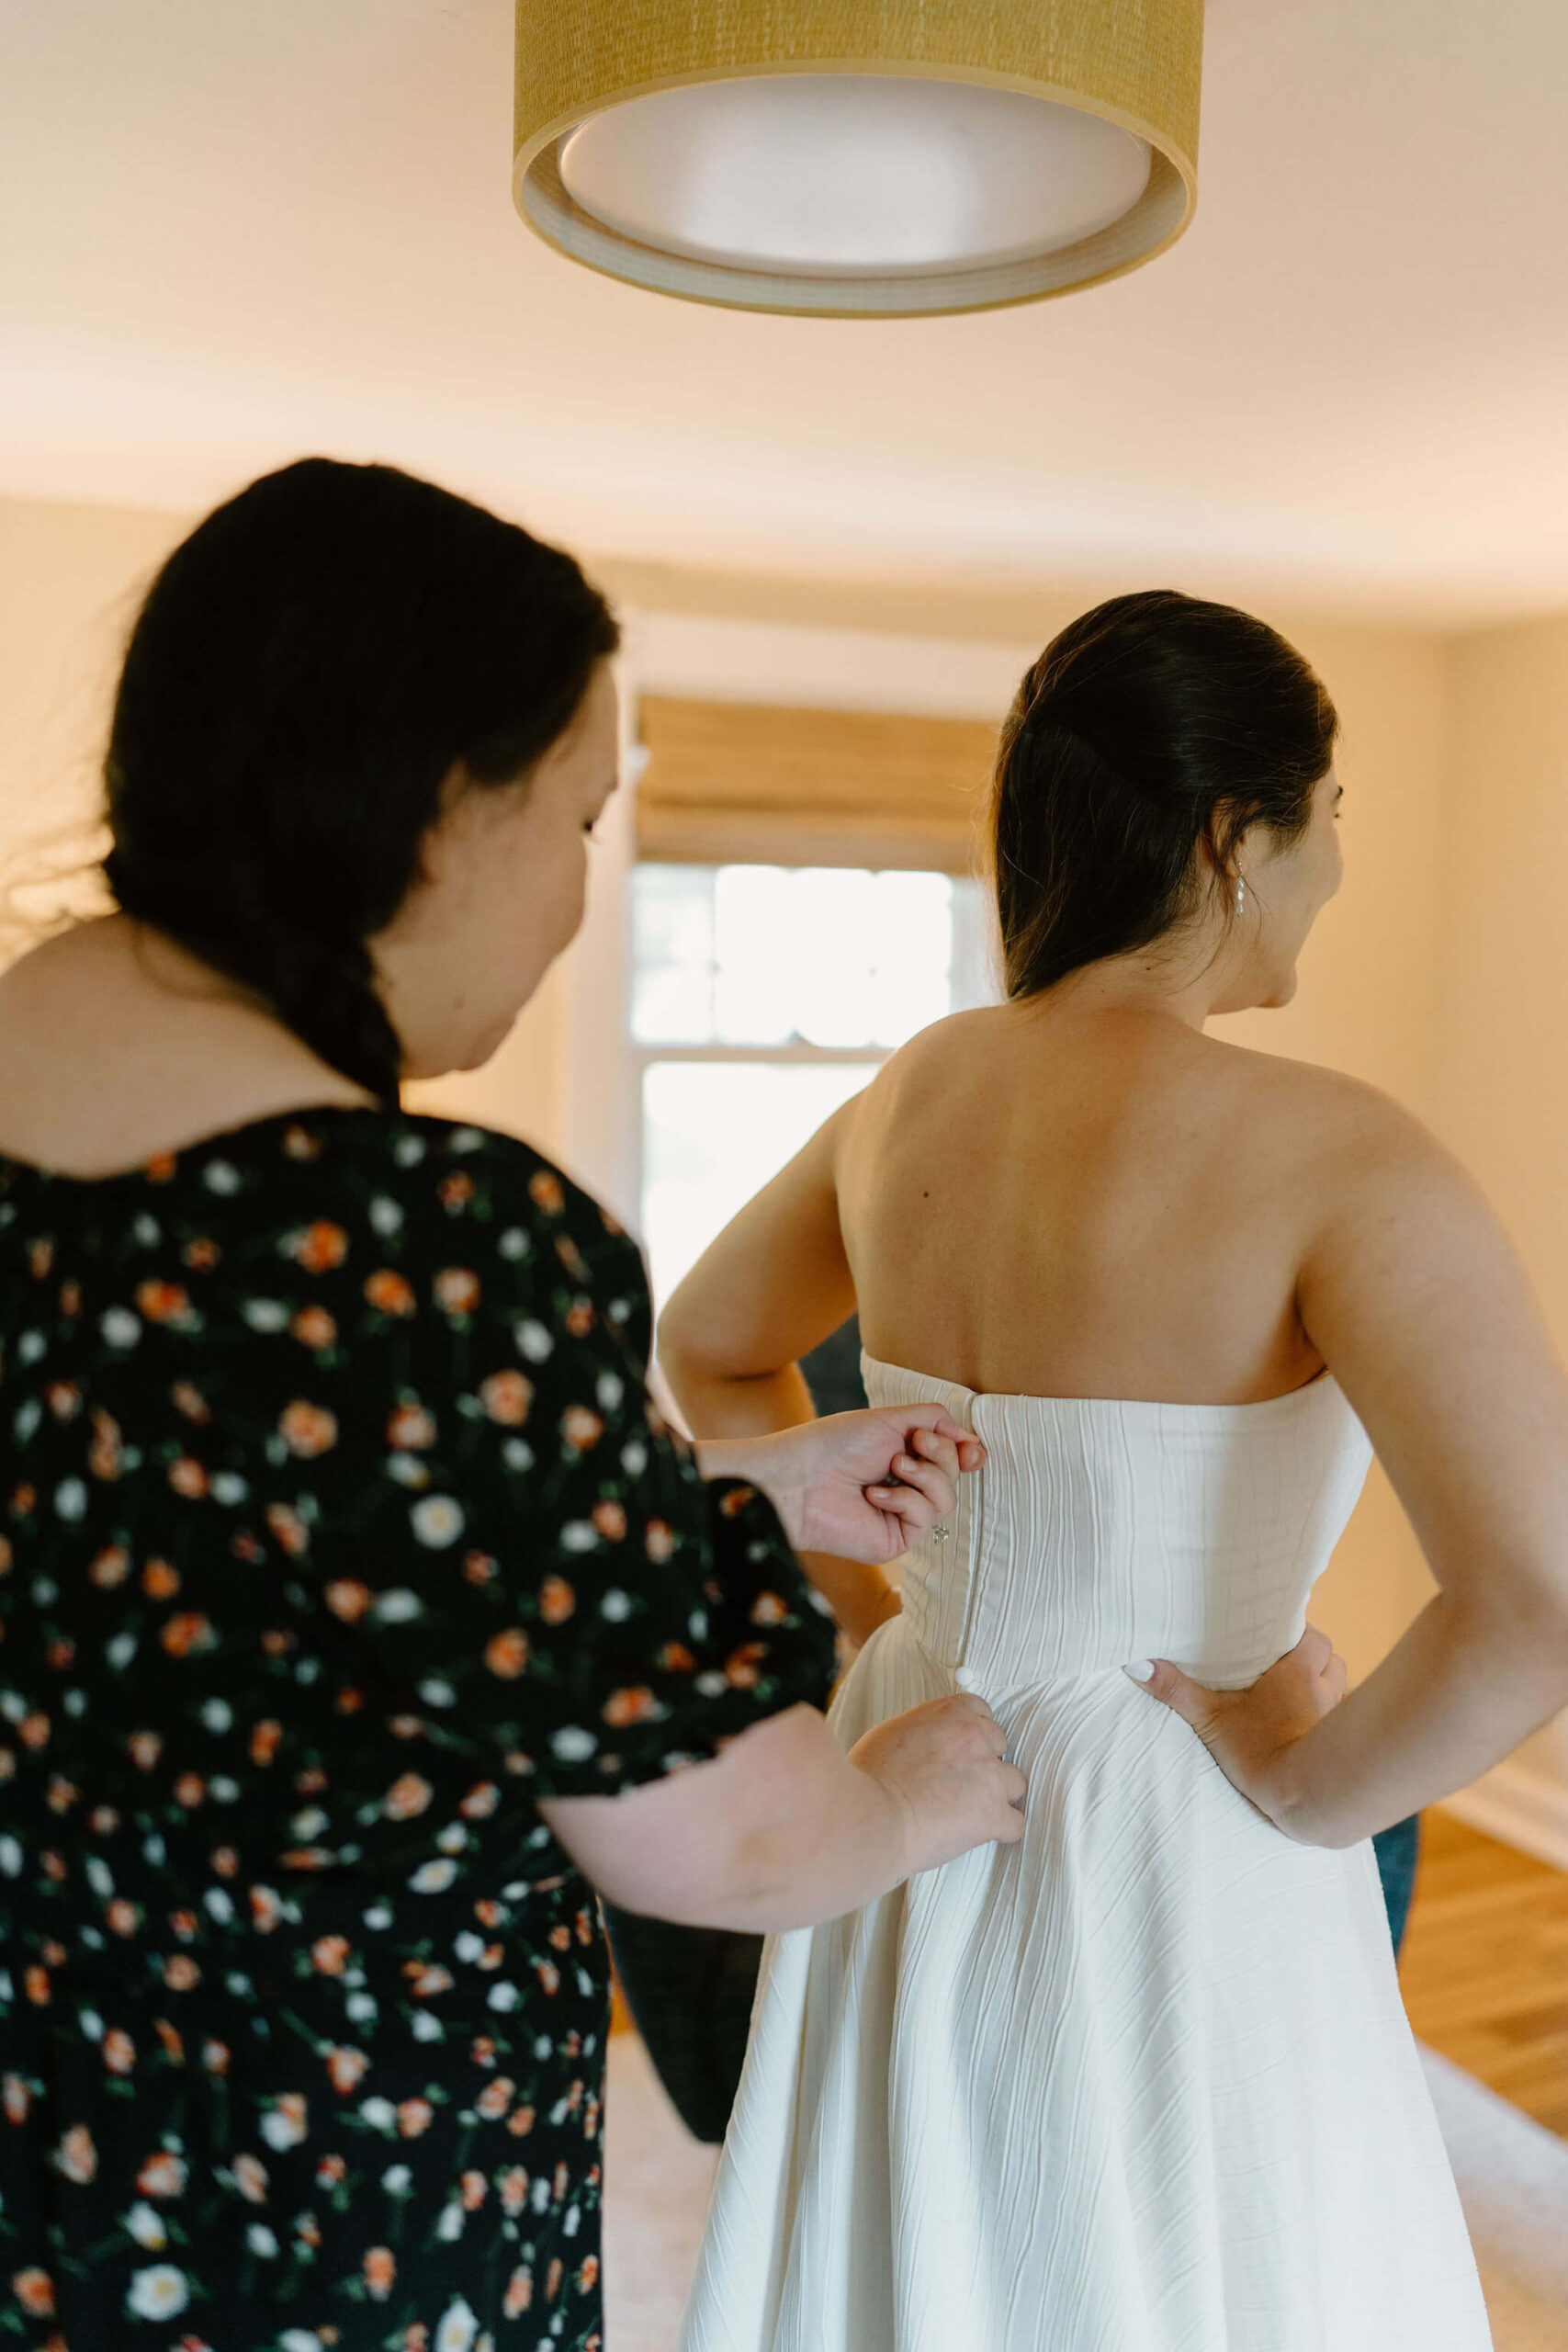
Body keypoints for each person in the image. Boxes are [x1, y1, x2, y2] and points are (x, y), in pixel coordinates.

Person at [0, 457, 1037, 2352]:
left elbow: (221, 1543)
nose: (575, 893)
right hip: (319, 2209)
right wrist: (891, 1803)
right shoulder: (428, 1241)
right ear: (436, 811)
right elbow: (711, 1837)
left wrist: (725, 1486)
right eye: (575, 818)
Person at [661, 590, 1568, 2352]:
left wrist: (877, 1573)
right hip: (1186, 1816)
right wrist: (1313, 1795)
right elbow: (1537, 1601)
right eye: (1325, 829)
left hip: (913, 1746)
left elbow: (708, 1346)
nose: (1329, 876)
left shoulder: (918, 1090)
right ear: (1239, 838)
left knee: (926, 2250)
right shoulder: (1339, 1155)